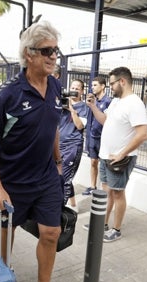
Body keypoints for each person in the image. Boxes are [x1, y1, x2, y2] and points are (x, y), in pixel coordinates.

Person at [0, 21, 67, 282]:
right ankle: (5, 277)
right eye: (46, 51)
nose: (53, 56)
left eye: (55, 50)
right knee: (7, 236)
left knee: (51, 233)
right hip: (12, 182)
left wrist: (58, 164)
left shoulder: (56, 86)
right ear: (28, 54)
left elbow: (53, 126)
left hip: (46, 179)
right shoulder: (7, 95)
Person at [85, 66, 147, 242]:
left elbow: (142, 134)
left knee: (118, 193)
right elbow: (105, 120)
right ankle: (102, 224)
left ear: (122, 81)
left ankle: (116, 229)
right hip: (106, 156)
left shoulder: (135, 103)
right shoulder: (116, 102)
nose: (110, 87)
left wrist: (122, 154)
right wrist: (92, 106)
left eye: (112, 83)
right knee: (106, 192)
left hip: (120, 159)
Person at [59, 79, 89, 211]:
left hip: (72, 146)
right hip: (58, 145)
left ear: (82, 91)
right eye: (72, 87)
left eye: (77, 88)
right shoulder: (62, 102)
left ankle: (60, 211)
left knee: (65, 179)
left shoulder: (84, 107)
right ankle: (72, 204)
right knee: (58, 176)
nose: (74, 90)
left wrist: (71, 110)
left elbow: (80, 125)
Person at [82, 76, 112, 196]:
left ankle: (106, 190)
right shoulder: (92, 101)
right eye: (92, 85)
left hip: (103, 139)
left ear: (103, 86)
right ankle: (93, 186)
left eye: (95, 85)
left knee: (105, 165)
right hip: (91, 137)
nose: (92, 87)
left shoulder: (108, 102)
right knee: (93, 162)